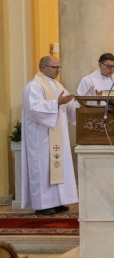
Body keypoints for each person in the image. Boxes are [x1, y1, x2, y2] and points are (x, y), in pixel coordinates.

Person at [21, 56, 80, 215]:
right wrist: (57, 103)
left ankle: (57, 201)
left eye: (59, 67)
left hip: (57, 135)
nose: (58, 70)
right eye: (54, 67)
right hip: (41, 137)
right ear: (43, 68)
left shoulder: (57, 85)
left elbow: (70, 106)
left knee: (57, 167)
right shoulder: (34, 86)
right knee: (43, 169)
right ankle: (42, 204)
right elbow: (35, 109)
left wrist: (83, 102)